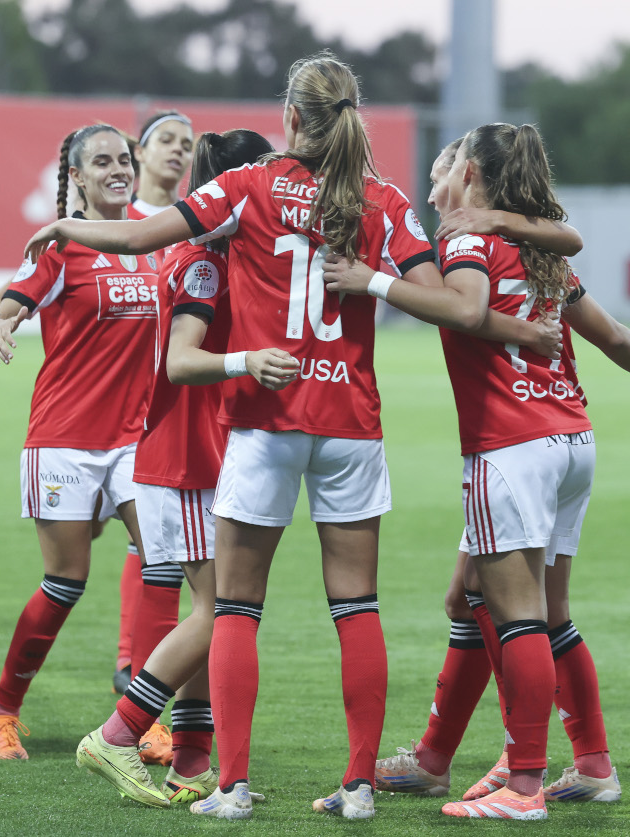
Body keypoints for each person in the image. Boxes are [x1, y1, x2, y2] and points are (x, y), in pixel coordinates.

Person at [23, 51, 449, 821]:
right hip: (350, 418)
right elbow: (441, 297)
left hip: (264, 420)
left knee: (235, 608)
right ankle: (357, 788)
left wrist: (63, 224)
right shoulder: (383, 199)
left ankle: (232, 785)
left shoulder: (247, 187)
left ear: (290, 118)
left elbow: (143, 232)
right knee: (357, 608)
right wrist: (374, 283)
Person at [322, 122, 603, 821]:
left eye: (445, 167)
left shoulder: (469, 240)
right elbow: (619, 339)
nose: (432, 181)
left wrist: (373, 280)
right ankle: (586, 762)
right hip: (571, 438)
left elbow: (468, 307)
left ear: (470, 175)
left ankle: (525, 782)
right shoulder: (540, 250)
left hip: (510, 445)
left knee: (520, 617)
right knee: (484, 596)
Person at [73, 128, 286, 810]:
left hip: (198, 453)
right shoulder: (203, 261)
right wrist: (245, 362)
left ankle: (192, 762)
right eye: (262, 176)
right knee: (221, 609)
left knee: (219, 609)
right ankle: (118, 732)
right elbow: (180, 362)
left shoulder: (218, 254)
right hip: (188, 457)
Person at [0, 125, 159, 760]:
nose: (119, 170)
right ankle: (2, 711)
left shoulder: (153, 242)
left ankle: (144, 717)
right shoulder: (62, 247)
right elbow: (16, 297)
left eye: (125, 160)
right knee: (67, 580)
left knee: (162, 566)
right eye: (103, 163)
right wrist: (1, 324)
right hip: (65, 438)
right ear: (79, 178)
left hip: (139, 440)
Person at [110, 110, 195, 705]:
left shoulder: (192, 225)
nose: (178, 152)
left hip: (167, 407)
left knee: (149, 541)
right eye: (167, 140)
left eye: (188, 145)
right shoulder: (124, 224)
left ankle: (134, 666)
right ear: (139, 152)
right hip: (107, 411)